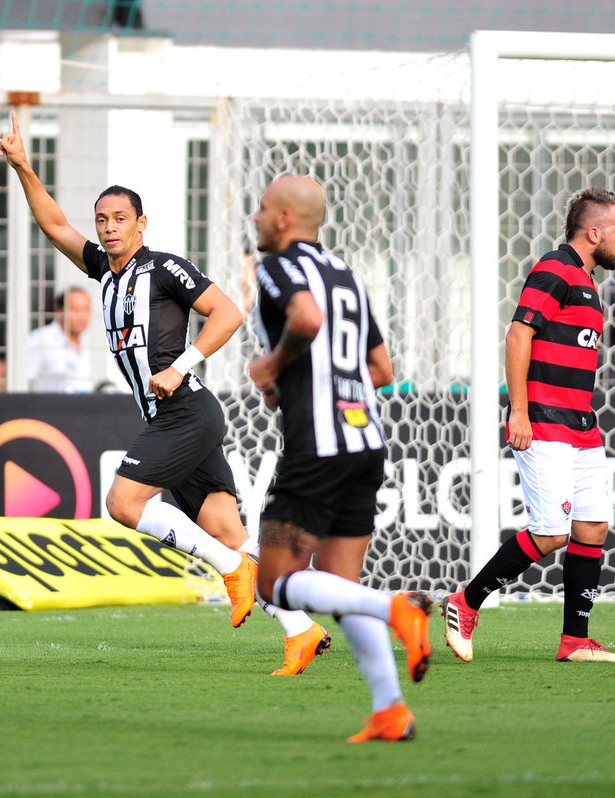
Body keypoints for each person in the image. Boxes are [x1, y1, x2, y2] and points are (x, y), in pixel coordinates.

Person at [0, 112, 331, 676]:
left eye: (119, 219)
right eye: (101, 219)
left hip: (186, 411)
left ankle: (232, 570)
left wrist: (182, 364)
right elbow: (55, 225)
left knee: (123, 505)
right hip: (174, 418)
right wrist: (24, 167)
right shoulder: (104, 270)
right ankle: (303, 629)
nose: (107, 228)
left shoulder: (164, 269)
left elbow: (228, 312)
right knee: (234, 536)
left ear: (141, 224)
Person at [247, 174, 434, 743]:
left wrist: (273, 368)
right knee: (338, 585)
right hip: (364, 444)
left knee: (274, 584)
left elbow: (305, 320)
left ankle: (397, 606)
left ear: (283, 219)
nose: (254, 217)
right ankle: (389, 710)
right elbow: (382, 371)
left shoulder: (278, 266)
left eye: (260, 208)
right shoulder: (347, 273)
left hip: (317, 448)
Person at [442, 187, 615, 666]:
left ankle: (575, 640)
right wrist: (520, 411)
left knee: (592, 527)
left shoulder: (588, 281)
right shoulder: (555, 268)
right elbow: (517, 334)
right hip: (545, 421)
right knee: (551, 533)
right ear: (594, 232)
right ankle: (465, 603)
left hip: (581, 427)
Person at [27, 287, 95, 393]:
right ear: (59, 311)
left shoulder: (88, 343)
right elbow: (23, 379)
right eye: (75, 310)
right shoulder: (41, 339)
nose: (82, 316)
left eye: (86, 309)